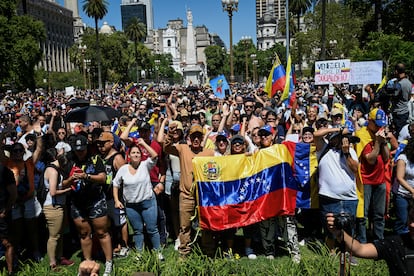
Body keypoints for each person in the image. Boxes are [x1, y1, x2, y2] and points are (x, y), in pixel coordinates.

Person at [163, 124, 214, 257]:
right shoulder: (182, 148)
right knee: (184, 226)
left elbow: (225, 163)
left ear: (202, 138)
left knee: (206, 225)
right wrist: (169, 134)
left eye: (198, 136)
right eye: (193, 137)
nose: (196, 139)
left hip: (203, 196)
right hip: (186, 195)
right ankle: (184, 253)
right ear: (189, 138)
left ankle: (208, 252)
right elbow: (167, 148)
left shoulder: (209, 152)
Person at [326, 201, 414, 276]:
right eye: (411, 218)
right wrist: (340, 234)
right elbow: (360, 249)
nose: (412, 225)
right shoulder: (396, 244)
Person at [67, 134, 113, 276]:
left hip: (95, 200)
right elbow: (61, 182)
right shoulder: (69, 161)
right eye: (77, 149)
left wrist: (86, 176)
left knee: (101, 232)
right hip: (77, 202)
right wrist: (70, 179)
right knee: (84, 234)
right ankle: (87, 263)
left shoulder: (95, 159)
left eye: (82, 149)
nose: (80, 152)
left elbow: (103, 178)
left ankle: (108, 262)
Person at [112, 139, 163, 259]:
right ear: (128, 156)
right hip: (131, 206)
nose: (136, 155)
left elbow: (155, 155)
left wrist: (143, 144)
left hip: (148, 203)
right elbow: (115, 184)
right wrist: (116, 200)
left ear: (141, 156)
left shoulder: (145, 165)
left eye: (138, 153)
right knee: (137, 230)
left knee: (152, 229)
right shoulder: (123, 169)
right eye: (133, 153)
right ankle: (139, 253)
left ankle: (157, 252)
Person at [313, 126, 359, 255]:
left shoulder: (351, 151)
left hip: (349, 198)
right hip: (329, 196)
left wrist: (346, 153)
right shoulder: (324, 148)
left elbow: (355, 169)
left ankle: (348, 253)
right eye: (344, 138)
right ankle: (331, 253)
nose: (347, 141)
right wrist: (338, 130)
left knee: (349, 228)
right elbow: (316, 134)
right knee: (330, 229)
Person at [42, 148, 73, 270]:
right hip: (53, 207)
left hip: (59, 205)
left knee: (59, 234)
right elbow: (53, 192)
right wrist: (69, 189)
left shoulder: (54, 169)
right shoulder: (53, 172)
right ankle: (52, 263)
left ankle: (60, 257)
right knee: (54, 236)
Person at [393, 138, 414, 235]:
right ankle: (401, 244)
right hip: (402, 194)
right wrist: (412, 190)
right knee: (402, 220)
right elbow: (399, 178)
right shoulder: (403, 158)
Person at [0, 164, 17, 275]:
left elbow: (13, 194)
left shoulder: (5, 171)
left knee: (7, 242)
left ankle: (11, 272)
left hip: (2, 214)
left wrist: (5, 211)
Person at [390, 63, 412, 134]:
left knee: (399, 133)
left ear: (396, 71)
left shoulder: (399, 84)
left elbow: (394, 96)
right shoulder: (409, 83)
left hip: (398, 112)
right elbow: (409, 97)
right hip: (405, 111)